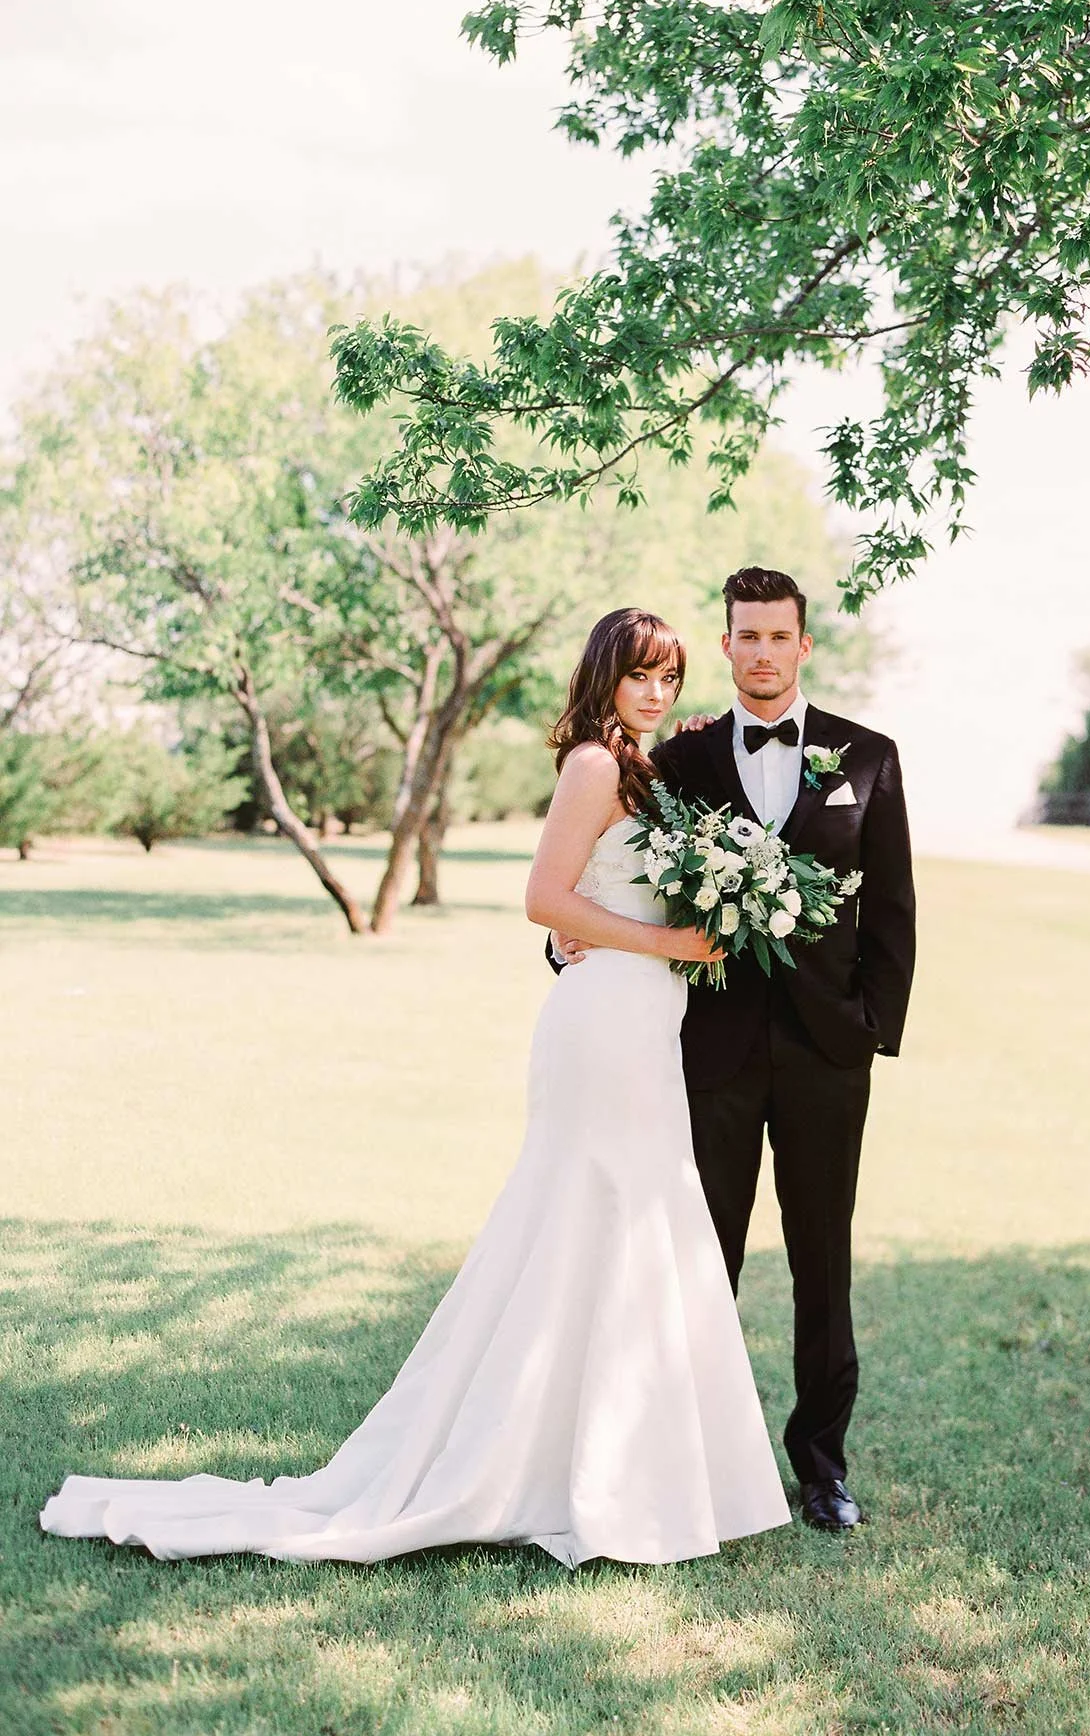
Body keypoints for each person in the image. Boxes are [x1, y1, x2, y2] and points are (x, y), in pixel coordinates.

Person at [39, 609, 791, 1569]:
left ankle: (611, 1462)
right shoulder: (594, 767)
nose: (654, 692)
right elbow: (546, 900)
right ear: (604, 674)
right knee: (586, 1214)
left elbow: (609, 894)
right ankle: (548, 1466)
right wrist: (673, 943)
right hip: (604, 1021)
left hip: (645, 1022)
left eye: (668, 679)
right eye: (639, 674)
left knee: (636, 1222)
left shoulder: (641, 767)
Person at [556, 567, 917, 1532]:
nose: (761, 652)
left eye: (777, 637)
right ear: (726, 646)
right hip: (701, 1050)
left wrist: (871, 1029)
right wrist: (560, 942)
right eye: (744, 636)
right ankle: (695, 1462)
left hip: (826, 1056)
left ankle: (822, 1468)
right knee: (700, 1257)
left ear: (804, 645)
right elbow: (604, 864)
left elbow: (891, 911)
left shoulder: (868, 757)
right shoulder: (677, 759)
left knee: (821, 1261)